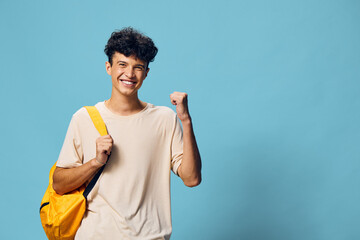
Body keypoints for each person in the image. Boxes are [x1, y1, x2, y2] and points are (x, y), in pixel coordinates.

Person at [52, 27, 202, 240]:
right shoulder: (83, 118)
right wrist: (95, 162)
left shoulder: (164, 119)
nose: (130, 74)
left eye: (138, 67)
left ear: (146, 73)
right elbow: (59, 183)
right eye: (122, 64)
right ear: (108, 67)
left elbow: (192, 178)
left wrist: (186, 121)